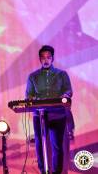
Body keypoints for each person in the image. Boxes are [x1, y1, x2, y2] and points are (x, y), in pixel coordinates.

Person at [25, 45, 73, 174]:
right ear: (40, 59)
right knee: (40, 144)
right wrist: (32, 98)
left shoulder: (61, 74)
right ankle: (43, 171)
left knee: (57, 145)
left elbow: (68, 90)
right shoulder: (33, 76)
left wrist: (65, 95)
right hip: (40, 114)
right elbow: (28, 94)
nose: (46, 60)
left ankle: (57, 172)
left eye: (48, 57)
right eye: (43, 58)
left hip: (57, 114)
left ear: (52, 58)